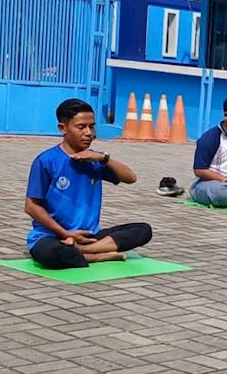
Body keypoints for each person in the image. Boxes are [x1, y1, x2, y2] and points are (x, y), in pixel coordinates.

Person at [25, 99, 150, 269]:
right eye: (81, 127)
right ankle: (98, 255)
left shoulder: (94, 160)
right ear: (63, 128)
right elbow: (31, 206)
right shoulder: (46, 161)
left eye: (92, 127)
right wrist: (66, 234)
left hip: (89, 236)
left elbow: (130, 178)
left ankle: (84, 251)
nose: (88, 133)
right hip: (53, 235)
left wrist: (103, 158)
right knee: (47, 253)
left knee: (143, 230)